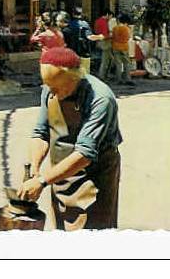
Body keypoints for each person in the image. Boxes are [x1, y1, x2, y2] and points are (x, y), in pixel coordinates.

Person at [18, 47, 122, 230]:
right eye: (49, 86)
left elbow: (85, 153)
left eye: (58, 88)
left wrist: (42, 181)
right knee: (62, 228)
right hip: (60, 173)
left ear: (75, 77)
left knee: (91, 234)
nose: (52, 93)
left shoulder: (100, 99)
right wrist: (35, 168)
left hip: (93, 173)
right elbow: (41, 133)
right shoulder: (50, 89)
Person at [110, 13, 135, 86]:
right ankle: (127, 79)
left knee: (118, 64)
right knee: (127, 63)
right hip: (124, 47)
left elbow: (113, 37)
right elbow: (128, 38)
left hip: (115, 47)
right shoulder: (126, 28)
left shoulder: (115, 28)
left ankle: (119, 79)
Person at [93, 9, 116, 80]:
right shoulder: (104, 22)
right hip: (105, 43)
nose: (111, 18)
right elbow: (105, 35)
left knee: (109, 59)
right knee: (105, 60)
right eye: (110, 16)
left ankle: (105, 75)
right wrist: (111, 35)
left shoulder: (97, 21)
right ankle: (102, 76)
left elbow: (96, 31)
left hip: (98, 41)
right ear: (107, 14)